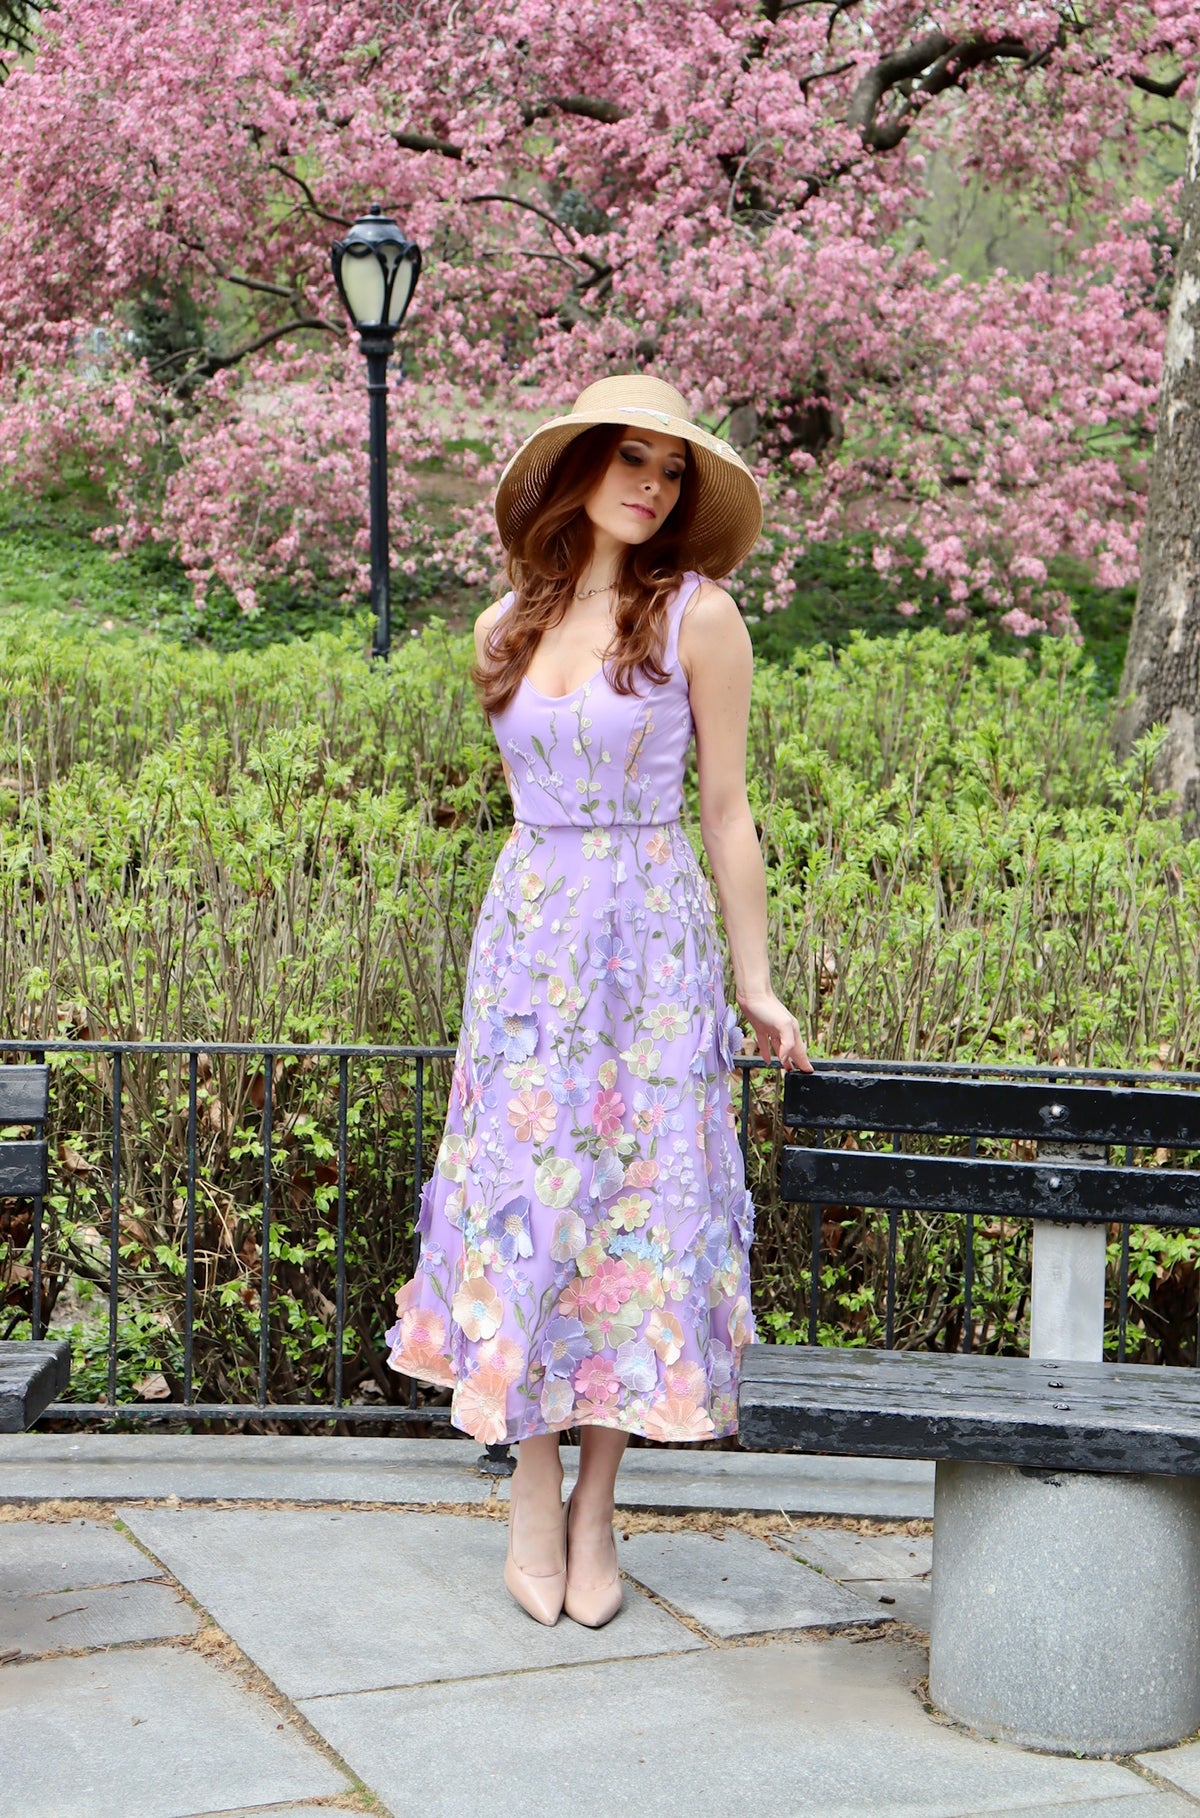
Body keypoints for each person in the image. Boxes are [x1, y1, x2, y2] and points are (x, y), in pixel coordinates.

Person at [386, 373, 811, 1628]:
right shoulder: (500, 623)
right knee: (528, 1193)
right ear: (575, 469)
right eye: (629, 459)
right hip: (528, 940)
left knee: (638, 1201)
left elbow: (727, 811)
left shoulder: (700, 616)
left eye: (670, 470)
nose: (651, 484)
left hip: (653, 948)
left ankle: (596, 1502)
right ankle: (529, 1481)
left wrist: (756, 981)